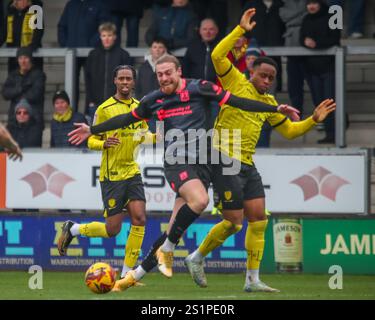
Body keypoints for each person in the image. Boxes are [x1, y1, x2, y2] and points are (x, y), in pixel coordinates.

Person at [67, 54, 300, 291]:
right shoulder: (153, 100)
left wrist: (275, 108)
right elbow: (126, 119)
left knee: (227, 221)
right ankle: (167, 250)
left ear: (179, 72)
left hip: (209, 161)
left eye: (168, 73)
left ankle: (135, 275)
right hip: (177, 161)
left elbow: (238, 102)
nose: (164, 78)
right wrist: (92, 129)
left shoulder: (201, 88)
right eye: (159, 75)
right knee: (200, 201)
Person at [184, 8, 336, 292]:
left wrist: (312, 120)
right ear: (250, 70)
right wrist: (240, 30)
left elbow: (289, 131)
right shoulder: (235, 82)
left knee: (259, 220)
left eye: (272, 77)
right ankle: (196, 256)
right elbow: (217, 55)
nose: (267, 81)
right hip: (223, 159)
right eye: (263, 75)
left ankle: (252, 279)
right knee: (233, 223)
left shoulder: (269, 102)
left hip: (247, 163)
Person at [58, 66, 155, 285]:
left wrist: (161, 136)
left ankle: (127, 273)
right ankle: (74, 229)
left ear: (134, 82)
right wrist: (104, 143)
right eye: (121, 78)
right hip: (112, 175)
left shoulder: (140, 108)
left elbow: (143, 135)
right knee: (113, 229)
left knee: (139, 218)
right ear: (114, 81)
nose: (124, 82)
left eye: (128, 78)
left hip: (132, 171)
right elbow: (91, 139)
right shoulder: (104, 108)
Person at [57, 0, 111, 110]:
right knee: (72, 85)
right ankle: (72, 113)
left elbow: (103, 26)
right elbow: (62, 25)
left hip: (90, 54)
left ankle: (89, 113)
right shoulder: (71, 4)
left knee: (91, 85)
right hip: (72, 53)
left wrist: (91, 45)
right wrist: (65, 44)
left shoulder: (98, 4)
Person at [300, 0, 340, 144]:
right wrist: (306, 42)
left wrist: (316, 44)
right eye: (309, 3)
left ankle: (334, 132)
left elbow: (336, 39)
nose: (311, 6)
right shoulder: (305, 19)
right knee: (319, 101)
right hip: (312, 69)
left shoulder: (334, 15)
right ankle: (329, 132)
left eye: (314, 3)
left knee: (329, 101)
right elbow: (301, 39)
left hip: (329, 68)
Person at [85, 22, 132, 122]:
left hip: (118, 104)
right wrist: (90, 101)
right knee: (96, 137)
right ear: (100, 36)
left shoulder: (123, 55)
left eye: (109, 35)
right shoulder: (93, 55)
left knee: (117, 136)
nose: (106, 38)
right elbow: (88, 80)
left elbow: (128, 81)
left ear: (114, 37)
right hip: (96, 105)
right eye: (104, 35)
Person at [183, 18, 220, 127]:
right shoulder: (192, 47)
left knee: (215, 124)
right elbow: (185, 70)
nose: (208, 32)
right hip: (196, 92)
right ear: (200, 31)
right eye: (205, 29)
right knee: (197, 125)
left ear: (216, 31)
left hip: (216, 93)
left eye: (211, 29)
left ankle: (212, 144)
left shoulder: (222, 46)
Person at [243, 0, 286, 91]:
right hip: (256, 47)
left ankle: (276, 92)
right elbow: (244, 24)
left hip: (276, 47)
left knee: (273, 74)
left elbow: (284, 25)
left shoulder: (281, 4)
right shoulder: (251, 4)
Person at [2, 47, 46, 129]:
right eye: (20, 58)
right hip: (14, 121)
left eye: (26, 58)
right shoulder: (13, 75)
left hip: (34, 120)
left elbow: (35, 95)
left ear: (30, 59)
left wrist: (15, 94)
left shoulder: (39, 75)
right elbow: (5, 94)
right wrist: (21, 88)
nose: (23, 61)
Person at [279, 0, 309, 115]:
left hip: (309, 44)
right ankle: (297, 113)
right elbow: (283, 16)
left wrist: (293, 15)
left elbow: (313, 13)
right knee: (294, 85)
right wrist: (302, 13)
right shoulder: (283, 2)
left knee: (314, 84)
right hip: (291, 44)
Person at [135, 37, 168, 133]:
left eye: (160, 47)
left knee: (161, 141)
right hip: (147, 109)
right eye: (155, 47)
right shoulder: (143, 67)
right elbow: (138, 88)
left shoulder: (170, 65)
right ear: (150, 49)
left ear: (164, 49)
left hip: (164, 109)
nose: (157, 50)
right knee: (145, 141)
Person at [1, 0, 44, 73]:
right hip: (14, 58)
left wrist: (29, 50)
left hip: (32, 58)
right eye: (21, 0)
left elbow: (39, 32)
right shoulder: (10, 13)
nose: (23, 2)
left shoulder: (36, 11)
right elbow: (3, 33)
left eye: (26, 0)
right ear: (15, 1)